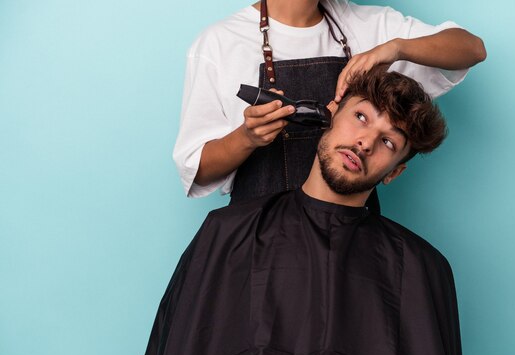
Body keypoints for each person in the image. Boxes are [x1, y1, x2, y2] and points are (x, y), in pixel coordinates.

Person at [129, 67, 465, 355]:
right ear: (332, 114)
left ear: (395, 171)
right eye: (361, 116)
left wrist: (393, 48)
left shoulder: (422, 269)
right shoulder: (226, 234)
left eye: (388, 142)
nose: (365, 142)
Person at [173, 0, 486, 209]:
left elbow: (471, 49)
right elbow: (197, 171)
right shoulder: (220, 43)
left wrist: (394, 49)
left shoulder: (369, 25)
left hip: (351, 248)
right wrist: (247, 138)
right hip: (256, 245)